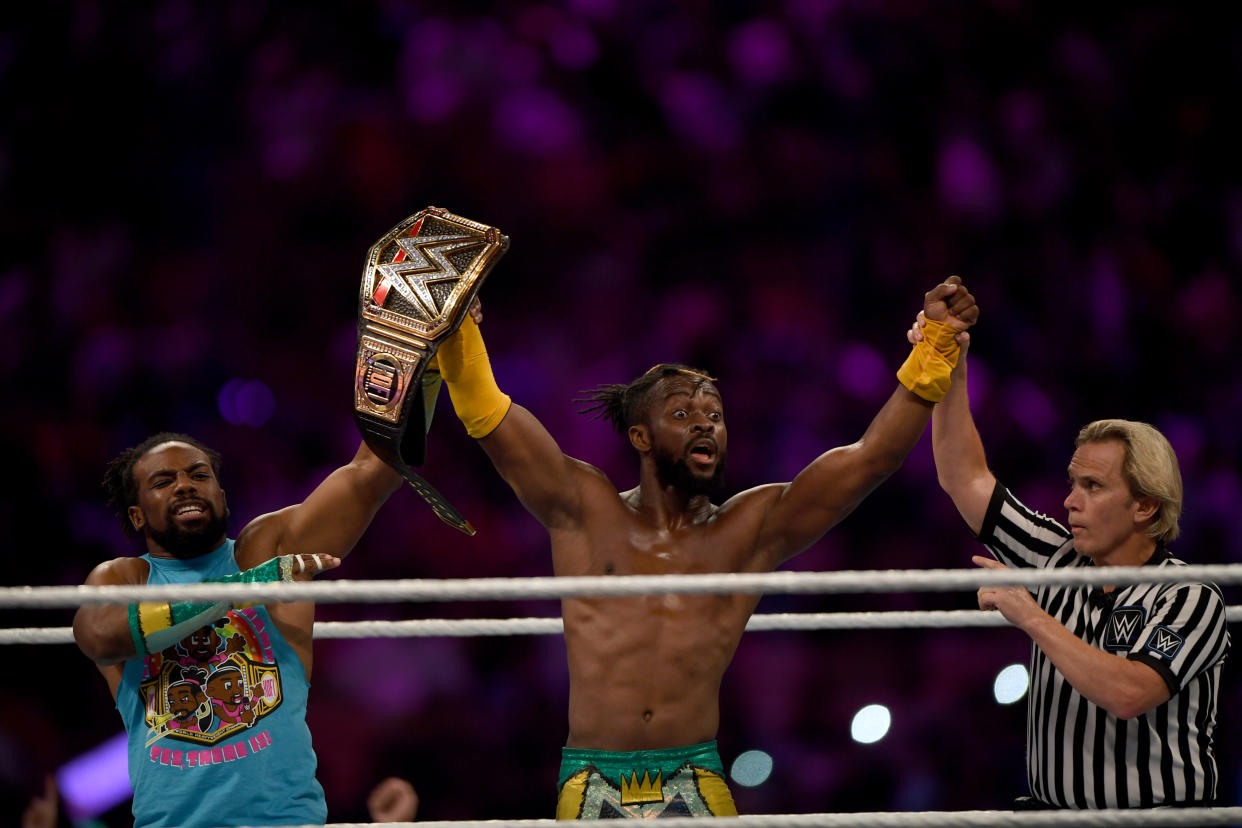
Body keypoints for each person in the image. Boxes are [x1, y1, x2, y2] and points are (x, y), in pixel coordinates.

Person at [431, 277, 978, 818]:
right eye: (682, 415)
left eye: (714, 416)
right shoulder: (583, 507)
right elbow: (488, 414)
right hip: (591, 775)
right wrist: (457, 332)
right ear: (641, 438)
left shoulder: (751, 529)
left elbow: (872, 459)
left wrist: (935, 344)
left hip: (693, 774)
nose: (705, 426)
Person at [911, 316, 1230, 809]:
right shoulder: (1054, 555)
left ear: (1145, 505)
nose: (1069, 502)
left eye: (1093, 487)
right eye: (1073, 483)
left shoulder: (1191, 598)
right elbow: (963, 476)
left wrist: (1031, 616)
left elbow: (1130, 693)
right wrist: (952, 367)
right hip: (1054, 819)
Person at [72, 431, 407, 827]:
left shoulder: (267, 549)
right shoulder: (124, 578)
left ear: (222, 494)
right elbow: (98, 637)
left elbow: (370, 474)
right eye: (163, 482)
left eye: (199, 475)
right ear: (137, 514)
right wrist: (244, 589)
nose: (184, 485)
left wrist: (422, 384)